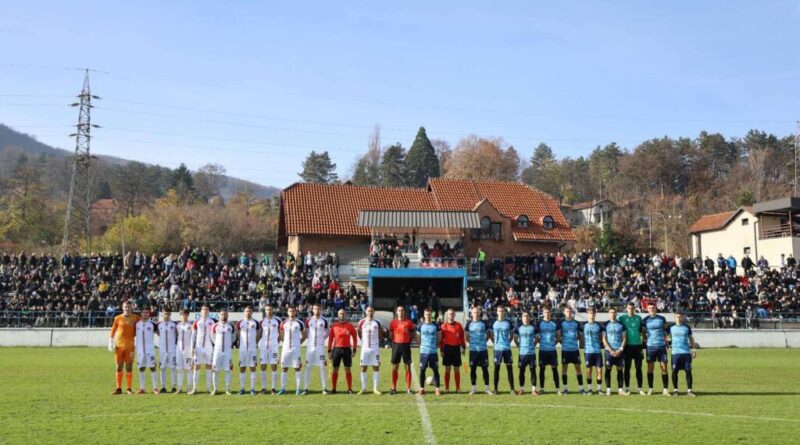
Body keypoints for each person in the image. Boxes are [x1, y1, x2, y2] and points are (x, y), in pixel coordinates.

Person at [109, 300, 140, 395]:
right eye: (125, 307)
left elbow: (141, 328)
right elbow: (113, 331)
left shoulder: (136, 318)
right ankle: (118, 388)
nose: (127, 309)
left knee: (129, 367)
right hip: (119, 346)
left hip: (130, 346)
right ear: (122, 307)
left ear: (132, 308)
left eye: (129, 307)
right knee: (119, 367)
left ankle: (129, 388)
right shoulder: (117, 318)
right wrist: (110, 342)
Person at [328, 308, 358, 394]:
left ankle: (349, 389)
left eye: (343, 313)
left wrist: (354, 350)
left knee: (348, 369)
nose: (342, 315)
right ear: (338, 315)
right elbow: (330, 339)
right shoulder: (334, 326)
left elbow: (355, 338)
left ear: (346, 315)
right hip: (336, 350)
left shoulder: (350, 326)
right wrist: (329, 351)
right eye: (340, 313)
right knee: (335, 369)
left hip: (347, 350)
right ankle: (334, 389)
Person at [643, 303, 670, 396]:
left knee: (664, 367)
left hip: (661, 346)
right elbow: (643, 332)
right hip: (650, 347)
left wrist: (667, 342)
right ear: (647, 309)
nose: (651, 309)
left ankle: (665, 389)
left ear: (656, 308)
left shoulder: (662, 319)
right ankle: (650, 389)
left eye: (653, 308)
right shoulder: (645, 320)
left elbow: (665, 332)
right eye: (650, 308)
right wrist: (645, 340)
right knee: (650, 368)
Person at [465, 306, 492, 395]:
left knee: (485, 369)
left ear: (480, 313)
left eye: (477, 312)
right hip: (473, 350)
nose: (476, 314)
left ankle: (487, 388)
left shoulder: (484, 323)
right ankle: (474, 388)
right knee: (473, 369)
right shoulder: (469, 324)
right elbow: (467, 337)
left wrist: (483, 342)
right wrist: (473, 343)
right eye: (474, 312)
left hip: (483, 350)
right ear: (472, 313)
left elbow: (488, 335)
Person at [188, 305, 216, 395]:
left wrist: (214, 346)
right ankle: (195, 388)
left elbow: (214, 335)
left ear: (209, 311)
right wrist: (192, 347)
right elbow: (193, 335)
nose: (205, 310)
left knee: (209, 366)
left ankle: (208, 388)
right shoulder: (196, 322)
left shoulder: (212, 322)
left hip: (208, 347)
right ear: (200, 311)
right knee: (196, 366)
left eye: (207, 309)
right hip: (198, 347)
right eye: (203, 309)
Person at [278, 306, 306, 395]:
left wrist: (298, 343)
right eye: (290, 311)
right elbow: (281, 335)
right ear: (287, 312)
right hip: (285, 349)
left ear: (295, 312)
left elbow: (304, 335)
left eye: (293, 311)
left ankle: (298, 389)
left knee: (297, 368)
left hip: (295, 349)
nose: (291, 312)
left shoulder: (300, 323)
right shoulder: (283, 323)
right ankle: (283, 389)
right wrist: (285, 343)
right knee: (284, 368)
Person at [619, 302, 645, 395]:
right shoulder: (622, 318)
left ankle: (640, 388)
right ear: (626, 308)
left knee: (639, 368)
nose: (631, 309)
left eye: (632, 308)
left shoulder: (639, 318)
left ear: (635, 308)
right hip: (627, 346)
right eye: (629, 308)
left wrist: (643, 340)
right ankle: (627, 388)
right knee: (627, 368)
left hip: (638, 346)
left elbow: (642, 331)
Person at [669, 313, 697, 397]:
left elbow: (691, 338)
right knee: (674, 371)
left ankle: (689, 391)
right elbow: (665, 336)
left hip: (686, 353)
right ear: (675, 318)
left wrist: (694, 349)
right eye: (677, 317)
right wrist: (668, 344)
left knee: (688, 371)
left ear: (683, 318)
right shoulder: (670, 328)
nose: (679, 318)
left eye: (680, 317)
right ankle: (676, 391)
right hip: (675, 353)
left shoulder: (686, 327)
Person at [304, 304, 330, 395]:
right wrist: (310, 339)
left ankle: (324, 388)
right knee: (307, 367)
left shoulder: (325, 321)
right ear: (312, 310)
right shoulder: (308, 320)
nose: (317, 310)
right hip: (310, 347)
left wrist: (322, 339)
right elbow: (306, 332)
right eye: (315, 309)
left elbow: (327, 332)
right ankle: (306, 388)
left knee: (322, 367)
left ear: (321, 310)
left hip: (320, 348)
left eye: (318, 308)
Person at [389, 306, 415, 395]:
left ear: (404, 312)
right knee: (395, 367)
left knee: (407, 367)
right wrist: (394, 342)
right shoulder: (393, 323)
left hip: (406, 345)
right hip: (396, 345)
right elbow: (391, 334)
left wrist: (408, 341)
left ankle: (408, 388)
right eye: (399, 310)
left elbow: (412, 333)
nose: (401, 312)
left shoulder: (409, 322)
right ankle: (393, 388)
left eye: (402, 310)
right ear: (396, 312)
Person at [357, 306, 382, 395]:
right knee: (363, 368)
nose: (370, 312)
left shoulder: (377, 323)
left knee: (376, 367)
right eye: (368, 311)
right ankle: (363, 388)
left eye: (371, 311)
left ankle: (375, 389)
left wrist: (376, 342)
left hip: (375, 349)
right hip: (365, 349)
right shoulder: (361, 322)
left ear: (374, 312)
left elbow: (380, 333)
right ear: (366, 312)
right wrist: (364, 342)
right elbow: (359, 332)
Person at [416, 307, 442, 396]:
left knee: (435, 370)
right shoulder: (420, 325)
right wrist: (422, 346)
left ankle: (437, 389)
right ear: (424, 315)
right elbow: (418, 338)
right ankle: (422, 389)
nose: (428, 316)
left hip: (433, 352)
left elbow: (439, 338)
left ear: (432, 315)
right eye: (426, 314)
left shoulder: (436, 325)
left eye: (429, 314)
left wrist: (435, 346)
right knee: (422, 370)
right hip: (423, 352)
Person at [440, 308, 465, 393]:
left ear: (455, 315)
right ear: (447, 315)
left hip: (456, 348)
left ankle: (458, 388)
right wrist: (441, 350)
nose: (451, 315)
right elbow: (441, 339)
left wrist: (463, 347)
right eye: (450, 314)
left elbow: (462, 337)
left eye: (453, 314)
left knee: (457, 368)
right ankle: (447, 388)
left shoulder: (459, 325)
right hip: (447, 348)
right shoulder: (443, 326)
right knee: (447, 368)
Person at [559, 307, 584, 395]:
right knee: (564, 368)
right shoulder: (561, 323)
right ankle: (565, 389)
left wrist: (581, 344)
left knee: (578, 368)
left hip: (575, 350)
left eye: (570, 311)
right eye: (567, 311)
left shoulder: (576, 323)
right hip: (565, 350)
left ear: (572, 312)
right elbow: (559, 336)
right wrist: (563, 343)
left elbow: (580, 335)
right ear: (564, 312)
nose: (569, 313)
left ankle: (581, 389)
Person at [602, 308, 627, 396]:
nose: (612, 314)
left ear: (616, 313)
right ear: (609, 314)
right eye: (611, 312)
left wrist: (620, 349)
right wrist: (610, 350)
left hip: (619, 350)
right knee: (608, 368)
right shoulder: (605, 324)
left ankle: (620, 389)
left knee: (620, 369)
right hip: (609, 351)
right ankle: (608, 389)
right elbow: (604, 339)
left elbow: (624, 338)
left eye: (614, 312)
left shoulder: (621, 324)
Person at [237, 306, 261, 395]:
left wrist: (255, 343)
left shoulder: (256, 322)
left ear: (252, 312)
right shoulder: (240, 322)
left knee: (252, 368)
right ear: (244, 312)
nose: (248, 312)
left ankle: (253, 389)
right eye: (246, 311)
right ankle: (242, 388)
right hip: (242, 349)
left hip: (252, 349)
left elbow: (259, 334)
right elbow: (239, 335)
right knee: (242, 368)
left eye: (250, 311)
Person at [210, 309, 235, 395]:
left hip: (228, 351)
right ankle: (215, 389)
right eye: (222, 314)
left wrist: (228, 344)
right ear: (219, 316)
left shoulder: (231, 325)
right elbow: (212, 337)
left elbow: (234, 337)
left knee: (227, 370)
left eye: (225, 314)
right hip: (217, 351)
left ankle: (227, 389)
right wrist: (217, 345)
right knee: (215, 370)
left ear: (227, 315)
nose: (223, 316)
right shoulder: (215, 325)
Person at [134, 307, 158, 394]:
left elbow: (160, 334)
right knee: (141, 368)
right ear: (141, 314)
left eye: (147, 313)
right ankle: (142, 388)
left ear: (149, 314)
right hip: (140, 351)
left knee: (152, 367)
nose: (145, 314)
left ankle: (155, 388)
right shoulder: (136, 324)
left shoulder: (153, 324)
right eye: (143, 312)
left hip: (150, 350)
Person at [492, 305, 515, 395]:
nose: (501, 312)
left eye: (502, 311)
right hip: (497, 349)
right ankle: (495, 389)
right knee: (496, 369)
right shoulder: (493, 323)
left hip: (507, 349)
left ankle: (512, 389)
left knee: (509, 368)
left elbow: (512, 335)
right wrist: (496, 343)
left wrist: (506, 343)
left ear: (504, 312)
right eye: (499, 311)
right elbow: (490, 334)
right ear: (497, 312)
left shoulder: (509, 323)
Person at [536, 307, 560, 395]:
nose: (547, 314)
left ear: (551, 313)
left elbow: (558, 336)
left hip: (552, 350)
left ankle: (557, 389)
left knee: (554, 369)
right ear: (543, 313)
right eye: (545, 312)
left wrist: (554, 344)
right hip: (542, 350)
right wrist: (541, 342)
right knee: (542, 369)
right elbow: (537, 336)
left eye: (548, 312)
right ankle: (542, 388)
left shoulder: (554, 324)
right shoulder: (539, 323)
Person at [514, 311, 537, 396]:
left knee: (533, 371)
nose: (526, 318)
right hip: (522, 354)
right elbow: (515, 339)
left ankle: (533, 390)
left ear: (530, 318)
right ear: (522, 318)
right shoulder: (518, 328)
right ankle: (522, 389)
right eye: (524, 316)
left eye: (527, 316)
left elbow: (537, 338)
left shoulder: (533, 328)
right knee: (521, 371)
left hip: (531, 353)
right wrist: (519, 347)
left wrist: (533, 346)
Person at [259, 306, 281, 394]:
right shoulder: (261, 322)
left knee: (274, 366)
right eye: (267, 309)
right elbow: (259, 334)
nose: (269, 311)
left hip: (274, 347)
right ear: (265, 311)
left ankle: (273, 388)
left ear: (273, 310)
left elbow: (281, 333)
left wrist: (276, 342)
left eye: (270, 309)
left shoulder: (278, 321)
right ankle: (263, 388)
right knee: (263, 366)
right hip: (263, 347)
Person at [582, 307, 604, 395]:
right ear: (587, 314)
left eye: (593, 313)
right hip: (588, 351)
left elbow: (601, 337)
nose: (591, 315)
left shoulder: (599, 325)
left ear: (595, 314)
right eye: (590, 313)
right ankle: (589, 389)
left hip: (597, 351)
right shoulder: (583, 325)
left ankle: (599, 389)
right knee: (589, 370)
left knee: (599, 370)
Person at [156, 309, 178, 394]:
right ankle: (163, 387)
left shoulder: (174, 324)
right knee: (162, 368)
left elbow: (177, 334)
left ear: (170, 315)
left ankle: (174, 386)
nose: (167, 315)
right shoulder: (159, 324)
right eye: (165, 314)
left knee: (173, 368)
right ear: (162, 315)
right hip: (162, 350)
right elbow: (157, 333)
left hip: (172, 349)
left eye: (168, 314)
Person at [175, 310, 193, 393]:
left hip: (188, 349)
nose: (184, 316)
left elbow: (193, 337)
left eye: (186, 315)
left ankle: (189, 388)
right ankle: (180, 388)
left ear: (188, 315)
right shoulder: (178, 325)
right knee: (179, 369)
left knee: (188, 369)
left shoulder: (191, 325)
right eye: (182, 315)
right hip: (178, 349)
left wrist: (192, 349)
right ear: (180, 315)